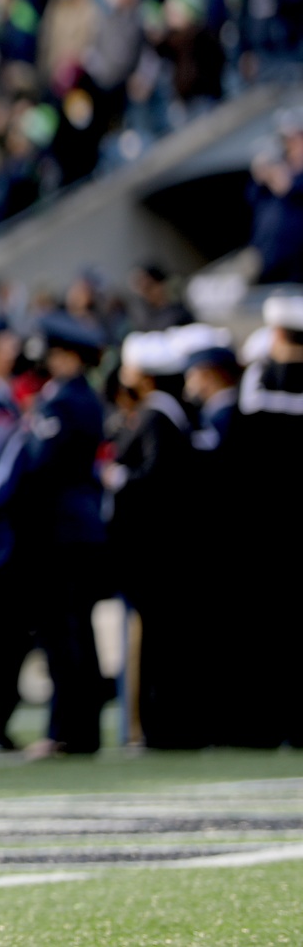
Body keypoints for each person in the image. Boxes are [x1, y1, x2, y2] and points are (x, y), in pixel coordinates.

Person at [0, 313, 109, 757]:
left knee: (63, 633)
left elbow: (38, 468)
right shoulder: (76, 399)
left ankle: (70, 730)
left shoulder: (66, 402)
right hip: (73, 530)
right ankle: (76, 728)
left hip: (59, 534)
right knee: (70, 632)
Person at [107, 330, 202, 749]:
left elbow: (152, 483)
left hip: (153, 553)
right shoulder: (170, 414)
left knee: (153, 641)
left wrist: (118, 479)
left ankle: (153, 726)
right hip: (167, 552)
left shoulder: (153, 417)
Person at [221, 294, 303, 747]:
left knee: (266, 626)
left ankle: (265, 725)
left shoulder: (258, 380)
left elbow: (239, 459)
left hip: (264, 528)